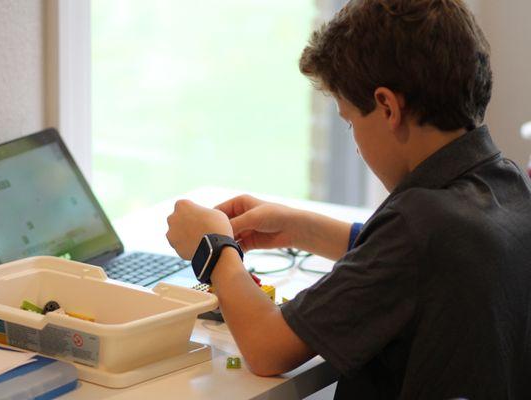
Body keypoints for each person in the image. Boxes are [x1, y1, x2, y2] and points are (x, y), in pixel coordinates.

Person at [166, 0, 531, 398]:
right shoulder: (509, 185)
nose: (356, 145)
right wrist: (298, 227)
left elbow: (267, 347)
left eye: (351, 120)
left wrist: (215, 249)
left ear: (388, 106)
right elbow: (411, 267)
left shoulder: (420, 225)